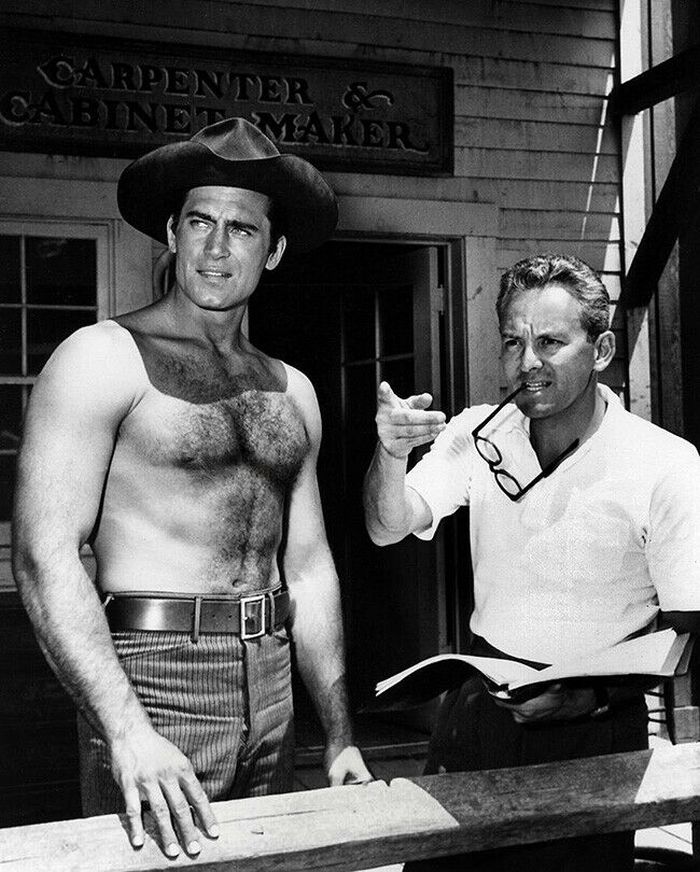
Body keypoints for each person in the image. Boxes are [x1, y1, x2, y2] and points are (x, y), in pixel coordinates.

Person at [12, 117, 371, 859]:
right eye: (200, 221)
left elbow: (308, 569)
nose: (215, 247)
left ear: (273, 250)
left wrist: (338, 735)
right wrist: (126, 730)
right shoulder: (102, 358)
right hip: (153, 678)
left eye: (241, 229)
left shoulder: (292, 390)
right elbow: (45, 556)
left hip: (272, 681)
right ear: (172, 233)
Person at [363, 253, 700, 871]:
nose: (527, 363)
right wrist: (389, 455)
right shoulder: (477, 434)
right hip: (481, 708)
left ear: (600, 350)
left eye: (550, 342)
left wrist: (590, 697)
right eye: (513, 342)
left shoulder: (664, 464)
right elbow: (387, 526)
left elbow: (688, 628)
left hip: (598, 724)